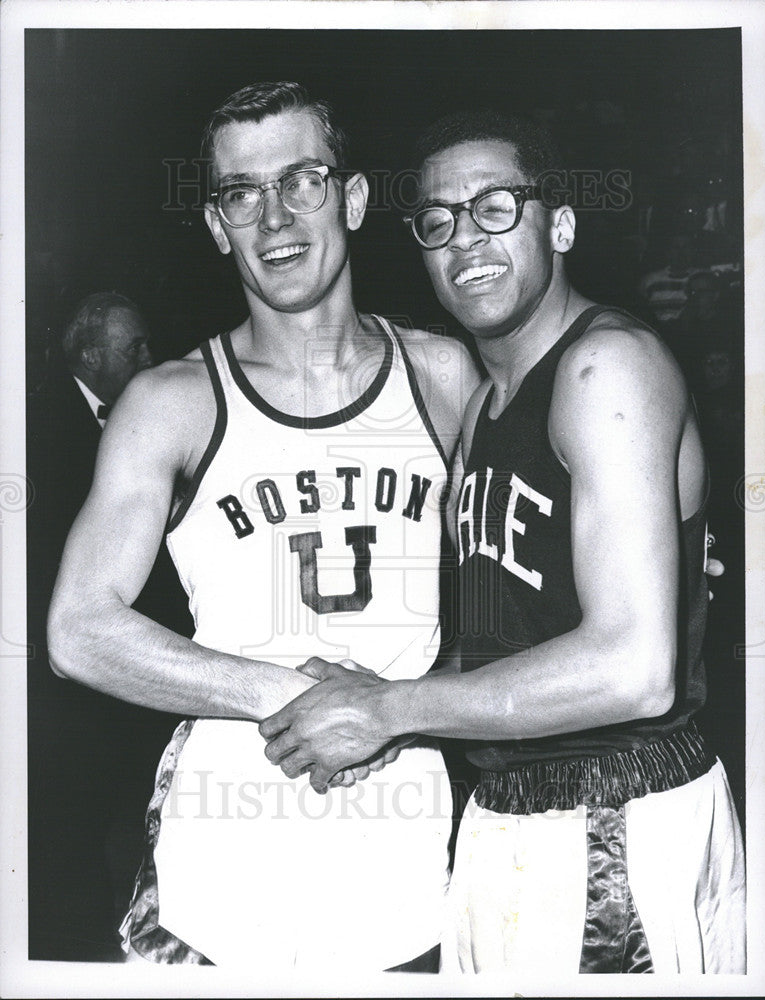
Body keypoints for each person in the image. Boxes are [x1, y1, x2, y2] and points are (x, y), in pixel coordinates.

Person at [259, 110, 746, 975]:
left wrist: (386, 709)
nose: (463, 240)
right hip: (507, 808)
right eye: (437, 221)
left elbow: (634, 668)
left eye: (494, 208)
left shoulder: (606, 368)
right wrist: (370, 695)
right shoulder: (483, 404)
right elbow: (511, 636)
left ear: (558, 224)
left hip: (615, 810)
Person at [47, 83, 480, 971]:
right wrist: (288, 698)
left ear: (352, 199)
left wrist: (397, 711)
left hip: (407, 875)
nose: (275, 216)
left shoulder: (441, 375)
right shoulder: (168, 402)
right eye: (241, 193)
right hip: (220, 881)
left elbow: (521, 604)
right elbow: (77, 631)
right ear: (216, 225)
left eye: (303, 181)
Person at [27, 292, 190, 961]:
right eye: (136, 348)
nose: (150, 359)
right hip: (58, 685)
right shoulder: (41, 427)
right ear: (91, 355)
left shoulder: (132, 424)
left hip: (117, 674)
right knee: (71, 832)